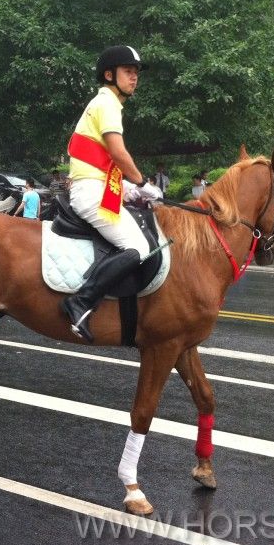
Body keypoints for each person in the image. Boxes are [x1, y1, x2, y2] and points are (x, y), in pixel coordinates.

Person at [61, 45, 162, 342]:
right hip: (89, 192)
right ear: (109, 75)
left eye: (136, 73)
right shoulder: (106, 103)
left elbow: (104, 164)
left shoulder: (107, 105)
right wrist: (143, 183)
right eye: (128, 72)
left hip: (96, 186)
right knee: (139, 247)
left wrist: (130, 191)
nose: (134, 78)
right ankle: (81, 300)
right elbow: (118, 153)